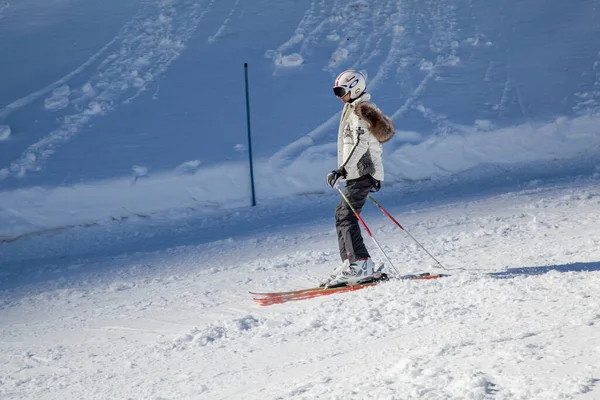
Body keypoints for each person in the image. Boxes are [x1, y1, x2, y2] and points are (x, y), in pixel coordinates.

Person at [321, 70, 395, 287]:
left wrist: (342, 170)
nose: (338, 95)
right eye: (336, 91)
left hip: (362, 171)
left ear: (354, 88)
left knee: (346, 215)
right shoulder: (351, 109)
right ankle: (350, 263)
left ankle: (360, 264)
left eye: (340, 91)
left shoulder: (359, 112)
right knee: (341, 214)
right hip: (358, 173)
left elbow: (361, 144)